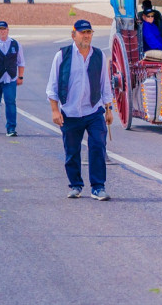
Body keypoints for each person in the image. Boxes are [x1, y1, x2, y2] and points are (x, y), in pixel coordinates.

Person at [46, 20, 115, 201]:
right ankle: (76, 185)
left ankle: (98, 187)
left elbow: (104, 85)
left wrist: (108, 109)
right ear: (73, 35)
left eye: (89, 32)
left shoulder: (98, 55)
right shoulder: (62, 56)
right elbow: (52, 86)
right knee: (72, 150)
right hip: (70, 112)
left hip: (93, 110)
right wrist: (55, 111)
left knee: (98, 146)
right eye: (82, 32)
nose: (86, 36)